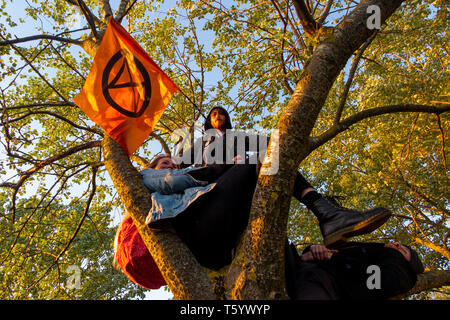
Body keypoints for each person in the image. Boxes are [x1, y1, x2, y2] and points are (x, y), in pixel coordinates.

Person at [173, 106, 392, 247]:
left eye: (222, 113)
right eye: (214, 114)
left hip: (243, 188)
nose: (218, 116)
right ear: (208, 122)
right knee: (259, 161)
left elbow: (271, 142)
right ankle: (329, 215)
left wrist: (291, 138)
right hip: (215, 190)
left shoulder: (238, 137)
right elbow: (178, 163)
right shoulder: (201, 143)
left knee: (275, 160)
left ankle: (326, 213)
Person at [284, 241, 424, 299]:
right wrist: (315, 249)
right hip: (300, 268)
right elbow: (333, 251)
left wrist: (331, 258)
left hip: (323, 285)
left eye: (404, 251)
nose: (397, 245)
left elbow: (378, 279)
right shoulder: (373, 251)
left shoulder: (401, 270)